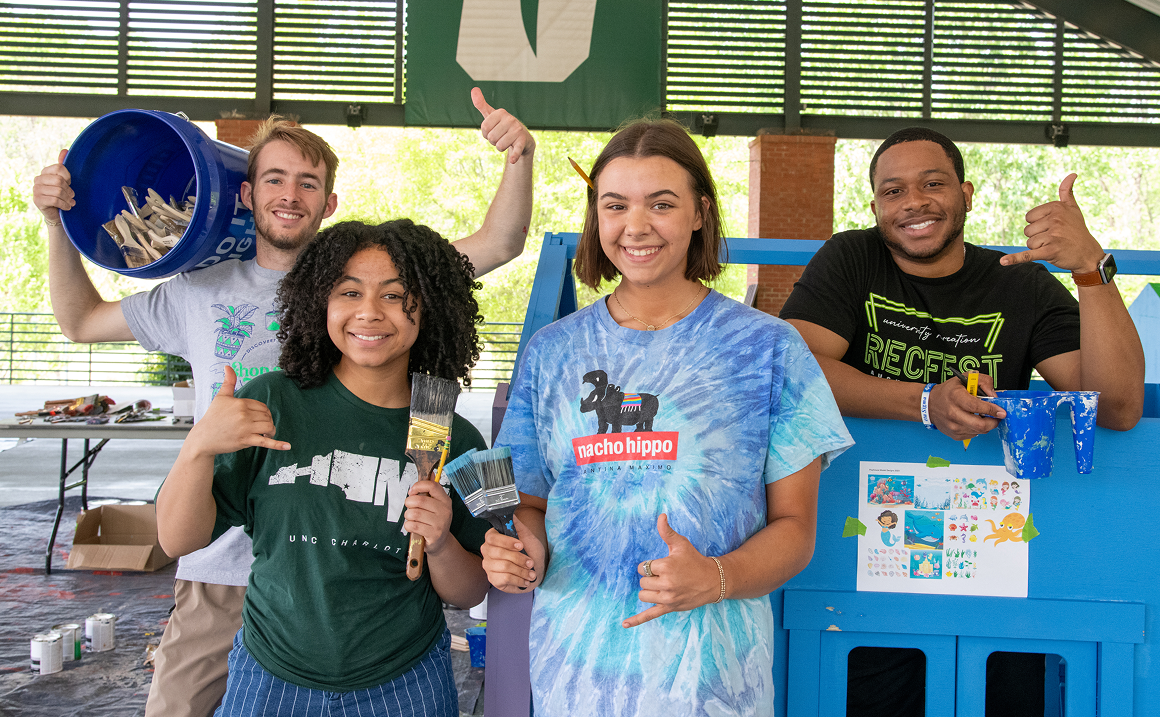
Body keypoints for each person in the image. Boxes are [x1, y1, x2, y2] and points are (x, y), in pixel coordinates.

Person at [31, 88, 534, 717]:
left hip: (365, 585)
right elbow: (79, 320)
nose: (290, 195)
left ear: (330, 202)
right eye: (274, 178)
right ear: (245, 193)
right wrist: (55, 224)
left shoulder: (369, 269)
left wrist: (518, 155)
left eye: (308, 182)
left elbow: (502, 240)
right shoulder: (196, 291)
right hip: (222, 563)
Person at [480, 117, 853, 716]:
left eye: (661, 204)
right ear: (595, 216)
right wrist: (516, 554)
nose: (636, 226)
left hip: (712, 686)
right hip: (575, 676)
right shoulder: (552, 351)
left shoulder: (768, 349)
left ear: (700, 212)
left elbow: (795, 530)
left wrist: (717, 576)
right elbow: (531, 503)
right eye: (616, 204)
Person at [778, 126, 1145, 717]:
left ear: (968, 194)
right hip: (867, 555)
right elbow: (794, 370)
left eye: (933, 184)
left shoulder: (1019, 282)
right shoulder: (851, 258)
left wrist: (1090, 272)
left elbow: (1119, 406)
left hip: (994, 558)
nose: (914, 202)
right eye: (893, 191)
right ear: (874, 207)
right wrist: (923, 402)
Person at [156, 219, 490, 715]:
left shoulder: (451, 435)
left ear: (431, 308)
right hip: (271, 677)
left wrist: (439, 543)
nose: (370, 312)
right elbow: (176, 540)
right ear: (320, 301)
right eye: (349, 291)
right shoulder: (271, 401)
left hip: (404, 682)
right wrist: (198, 448)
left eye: (396, 296)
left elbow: (469, 591)